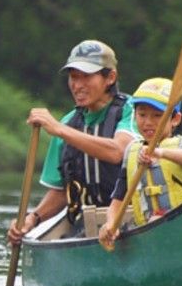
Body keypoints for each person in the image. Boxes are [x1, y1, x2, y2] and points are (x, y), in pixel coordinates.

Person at [7, 39, 137, 245]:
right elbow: (61, 193)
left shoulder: (135, 111)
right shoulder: (68, 124)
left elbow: (117, 152)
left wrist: (60, 130)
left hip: (134, 221)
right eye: (73, 77)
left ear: (110, 77)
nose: (77, 85)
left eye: (86, 77)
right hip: (85, 226)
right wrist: (33, 219)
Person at [98, 77, 182, 250]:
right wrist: (111, 224)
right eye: (142, 115)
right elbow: (117, 200)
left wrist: (160, 153)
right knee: (153, 221)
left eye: (157, 116)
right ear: (134, 115)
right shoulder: (132, 152)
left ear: (175, 119)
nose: (148, 122)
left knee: (158, 220)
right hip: (152, 230)